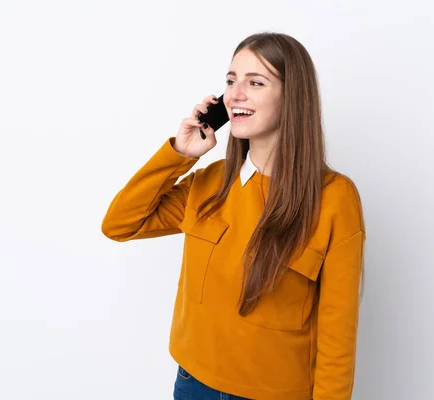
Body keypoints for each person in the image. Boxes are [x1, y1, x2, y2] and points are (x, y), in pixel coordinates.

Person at [101, 32, 365, 400]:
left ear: (293, 97)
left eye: (255, 82)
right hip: (193, 384)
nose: (235, 94)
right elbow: (119, 224)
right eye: (230, 81)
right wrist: (180, 153)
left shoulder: (335, 198)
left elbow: (338, 335)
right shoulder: (210, 183)